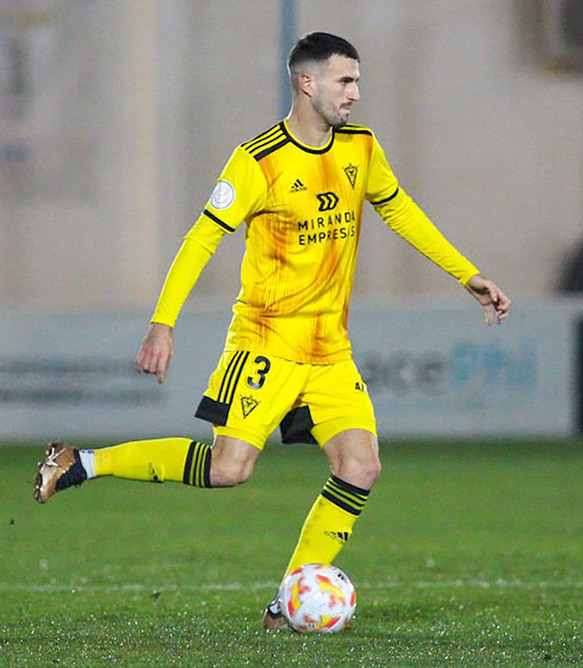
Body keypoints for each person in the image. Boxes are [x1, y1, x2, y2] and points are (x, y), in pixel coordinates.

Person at [33, 32, 511, 630]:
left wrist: (466, 274)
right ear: (307, 82)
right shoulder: (257, 161)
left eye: (357, 81)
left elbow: (398, 208)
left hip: (330, 349)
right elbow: (201, 238)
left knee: (361, 465)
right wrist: (163, 323)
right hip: (264, 344)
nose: (356, 94)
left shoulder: (361, 149)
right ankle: (83, 462)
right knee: (229, 469)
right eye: (345, 81)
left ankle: (288, 603)